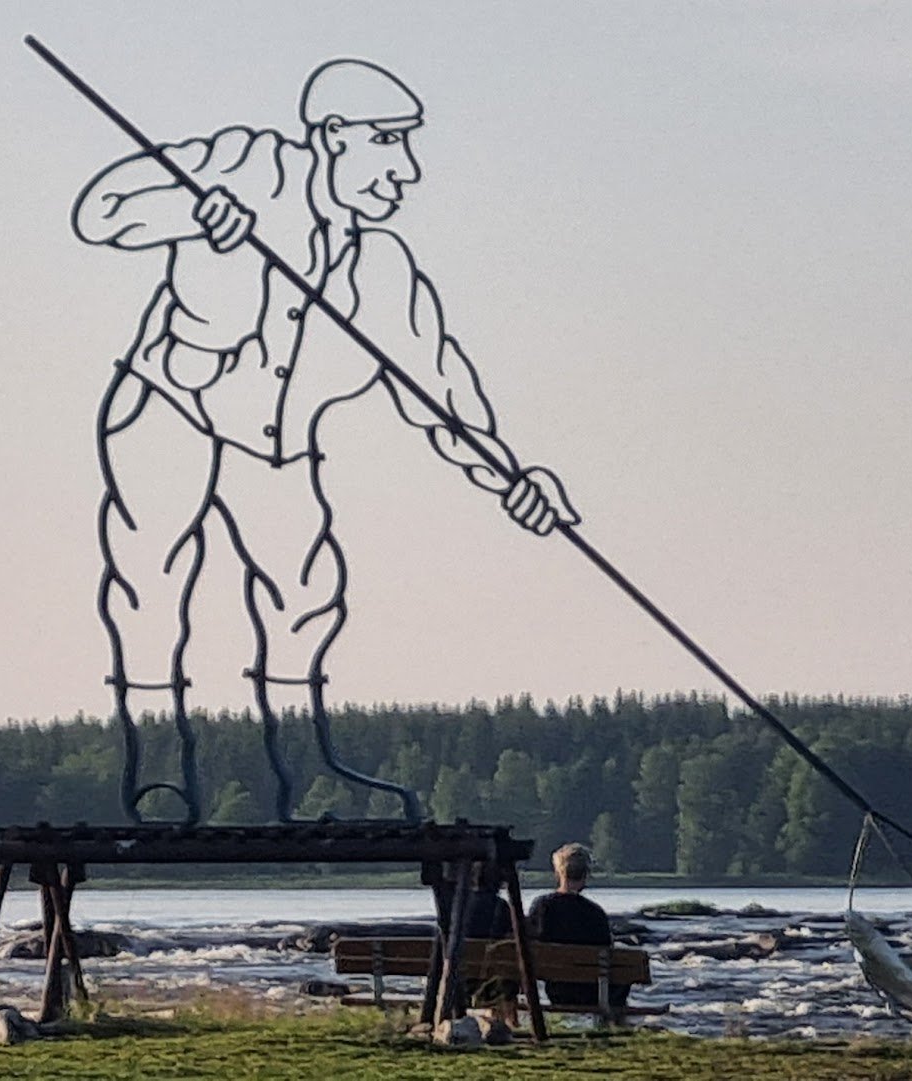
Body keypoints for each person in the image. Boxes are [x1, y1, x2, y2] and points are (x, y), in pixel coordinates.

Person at [70, 58, 577, 824]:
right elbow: (101, 212)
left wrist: (512, 478)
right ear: (332, 136)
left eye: (408, 146)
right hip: (171, 405)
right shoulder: (243, 163)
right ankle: (162, 775)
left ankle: (310, 780)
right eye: (386, 143)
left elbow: (442, 394)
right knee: (152, 573)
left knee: (304, 592)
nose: (404, 171)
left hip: (272, 441)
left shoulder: (383, 272)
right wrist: (191, 212)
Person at [528, 843, 628, 1011]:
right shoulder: (595, 913)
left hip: (557, 990)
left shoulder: (542, 907)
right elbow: (607, 948)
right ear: (585, 875)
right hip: (592, 990)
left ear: (559, 872)